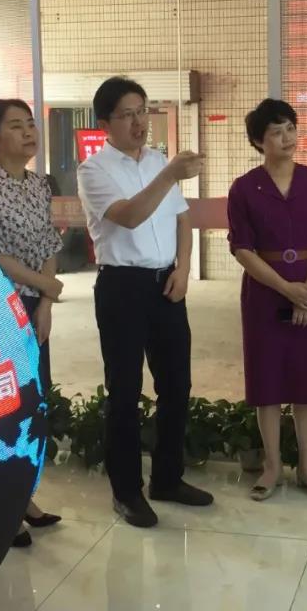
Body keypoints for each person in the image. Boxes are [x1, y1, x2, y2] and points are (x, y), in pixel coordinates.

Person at [76, 76, 212, 528]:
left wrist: (183, 269)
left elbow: (182, 220)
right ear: (105, 123)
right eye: (127, 115)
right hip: (122, 288)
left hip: (166, 284)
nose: (139, 122)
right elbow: (130, 217)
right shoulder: (94, 171)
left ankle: (168, 478)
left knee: (176, 384)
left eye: (142, 112)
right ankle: (127, 491)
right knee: (125, 390)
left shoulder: (156, 160)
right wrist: (170, 174)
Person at [227, 99, 307, 502]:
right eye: (276, 132)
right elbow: (242, 249)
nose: (287, 137)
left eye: (291, 127)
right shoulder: (244, 188)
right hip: (264, 293)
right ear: (259, 141)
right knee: (267, 380)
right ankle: (272, 466)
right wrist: (286, 289)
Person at [0, 98, 64, 548]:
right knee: (7, 404)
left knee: (34, 401)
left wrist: (46, 300)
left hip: (35, 305)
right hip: (0, 305)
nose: (28, 132)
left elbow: (48, 241)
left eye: (30, 124)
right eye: (15, 126)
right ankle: (3, 506)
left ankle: (24, 497)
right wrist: (46, 285)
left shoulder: (39, 184)